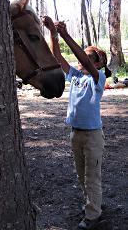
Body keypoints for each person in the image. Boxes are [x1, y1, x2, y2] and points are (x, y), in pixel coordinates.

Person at [43, 16, 107, 230]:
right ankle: (93, 204)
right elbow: (58, 56)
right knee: (82, 175)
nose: (80, 61)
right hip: (76, 134)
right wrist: (53, 33)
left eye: (86, 58)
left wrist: (67, 35)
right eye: (81, 58)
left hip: (92, 136)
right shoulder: (77, 76)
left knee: (92, 176)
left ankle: (93, 216)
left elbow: (85, 60)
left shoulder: (97, 79)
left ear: (97, 63)